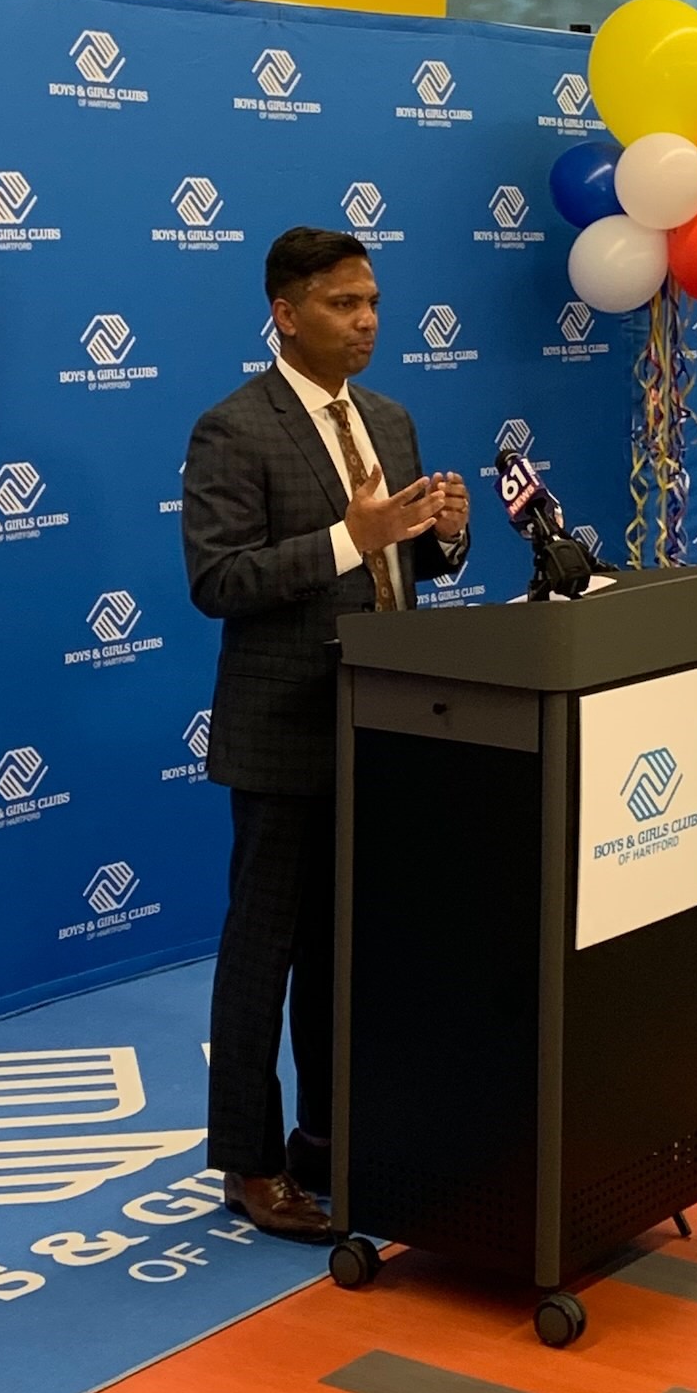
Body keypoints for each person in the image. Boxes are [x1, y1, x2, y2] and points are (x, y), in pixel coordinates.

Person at [182, 227, 470, 1241]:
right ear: (287, 310)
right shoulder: (235, 428)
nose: (367, 322)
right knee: (263, 956)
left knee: (349, 956)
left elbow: (401, 572)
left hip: (385, 724)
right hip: (283, 731)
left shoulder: (388, 417)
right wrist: (356, 533)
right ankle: (250, 1164)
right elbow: (219, 580)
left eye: (375, 301)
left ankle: (328, 1137)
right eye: (345, 303)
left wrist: (441, 537)